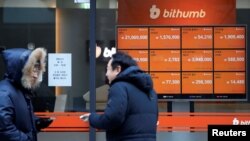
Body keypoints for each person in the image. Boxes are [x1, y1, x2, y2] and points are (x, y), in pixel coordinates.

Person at [81, 51, 158, 141]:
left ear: (118, 69)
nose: (106, 74)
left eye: (108, 69)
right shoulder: (151, 91)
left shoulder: (119, 87)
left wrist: (92, 118)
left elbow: (112, 118)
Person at [0, 47, 52, 141]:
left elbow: (22, 118)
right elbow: (4, 128)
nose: (36, 75)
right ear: (20, 69)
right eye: (32, 70)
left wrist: (38, 122)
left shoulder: (22, 90)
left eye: (37, 70)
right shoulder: (4, 92)